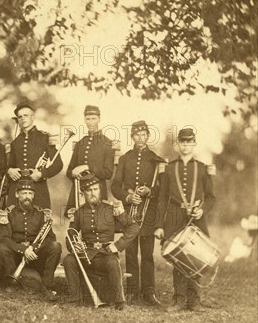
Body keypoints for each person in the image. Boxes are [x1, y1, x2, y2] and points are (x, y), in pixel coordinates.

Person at [154, 128, 216, 312]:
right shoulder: (169, 168)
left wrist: (202, 210)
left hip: (196, 218)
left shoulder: (203, 168)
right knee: (178, 257)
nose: (186, 146)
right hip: (174, 215)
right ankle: (179, 299)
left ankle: (194, 301)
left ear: (194, 144)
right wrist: (158, 225)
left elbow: (211, 197)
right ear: (177, 145)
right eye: (183, 142)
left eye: (190, 142)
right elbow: (162, 198)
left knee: (195, 256)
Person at [63, 174, 139, 310]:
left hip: (106, 254)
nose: (93, 193)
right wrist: (76, 247)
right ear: (83, 193)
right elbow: (70, 236)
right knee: (69, 260)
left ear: (100, 190)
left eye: (95, 189)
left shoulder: (111, 209)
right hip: (87, 255)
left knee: (113, 262)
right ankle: (75, 299)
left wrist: (118, 245)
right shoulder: (79, 213)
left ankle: (120, 302)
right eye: (89, 190)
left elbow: (134, 227)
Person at [111, 120, 165, 306]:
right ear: (132, 136)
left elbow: (163, 188)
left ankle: (149, 293)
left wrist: (150, 191)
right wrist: (128, 197)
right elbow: (115, 186)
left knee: (148, 254)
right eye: (137, 135)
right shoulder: (125, 159)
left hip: (149, 213)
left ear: (148, 136)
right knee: (131, 252)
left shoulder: (157, 159)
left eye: (144, 134)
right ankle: (132, 291)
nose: (140, 138)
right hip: (130, 213)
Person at [0, 179, 62, 301]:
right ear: (17, 194)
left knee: (56, 246)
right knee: (2, 248)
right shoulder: (8, 213)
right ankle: (12, 281)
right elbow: (4, 239)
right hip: (16, 256)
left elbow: (50, 238)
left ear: (33, 195)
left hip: (35, 255)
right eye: (24, 193)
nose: (27, 196)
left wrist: (33, 247)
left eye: (30, 193)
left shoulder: (41, 213)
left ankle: (47, 284)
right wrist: (23, 249)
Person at [6, 101, 64, 209]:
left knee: (41, 221)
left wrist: (42, 174)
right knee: (14, 221)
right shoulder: (15, 142)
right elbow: (10, 165)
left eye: (26, 115)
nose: (23, 118)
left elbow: (58, 164)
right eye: (20, 117)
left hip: (38, 188)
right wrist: (9, 170)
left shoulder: (45, 138)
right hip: (17, 189)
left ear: (33, 117)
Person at [65, 105, 116, 215]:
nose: (91, 122)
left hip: (98, 194)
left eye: (94, 118)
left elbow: (108, 173)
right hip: (79, 194)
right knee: (76, 227)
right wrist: (74, 173)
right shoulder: (80, 143)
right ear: (84, 120)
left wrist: (88, 167)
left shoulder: (107, 143)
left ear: (99, 119)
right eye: (88, 119)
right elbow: (69, 172)